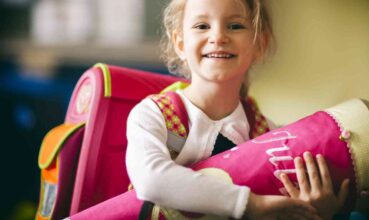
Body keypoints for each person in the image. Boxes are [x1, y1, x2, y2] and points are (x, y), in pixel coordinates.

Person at [126, 0, 349, 219]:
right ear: (181, 44)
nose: (218, 37)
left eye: (235, 26)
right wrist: (250, 204)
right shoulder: (154, 115)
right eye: (202, 26)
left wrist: (313, 212)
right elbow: (151, 179)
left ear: (259, 44)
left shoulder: (270, 136)